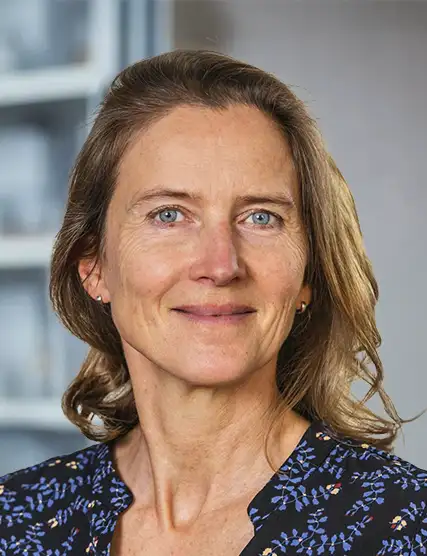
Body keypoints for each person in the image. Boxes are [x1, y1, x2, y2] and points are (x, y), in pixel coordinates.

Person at [0, 49, 425, 556]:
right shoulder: (14, 520)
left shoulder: (406, 526)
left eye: (261, 217)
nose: (221, 265)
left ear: (308, 273)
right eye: (169, 214)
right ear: (94, 266)